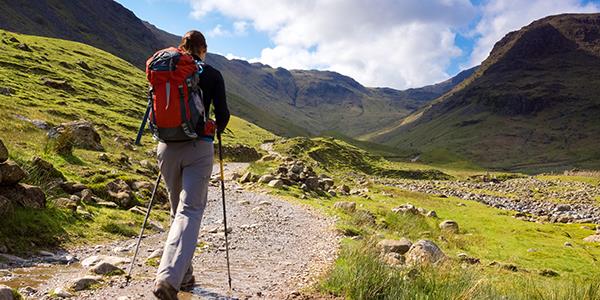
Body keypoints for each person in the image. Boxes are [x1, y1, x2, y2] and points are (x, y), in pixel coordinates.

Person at [153, 30, 230, 300]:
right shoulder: (211, 73)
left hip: (165, 146)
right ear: (203, 48)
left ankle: (184, 276)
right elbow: (223, 116)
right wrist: (213, 127)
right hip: (198, 148)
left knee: (178, 212)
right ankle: (168, 279)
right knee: (190, 211)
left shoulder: (166, 67)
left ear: (182, 46)